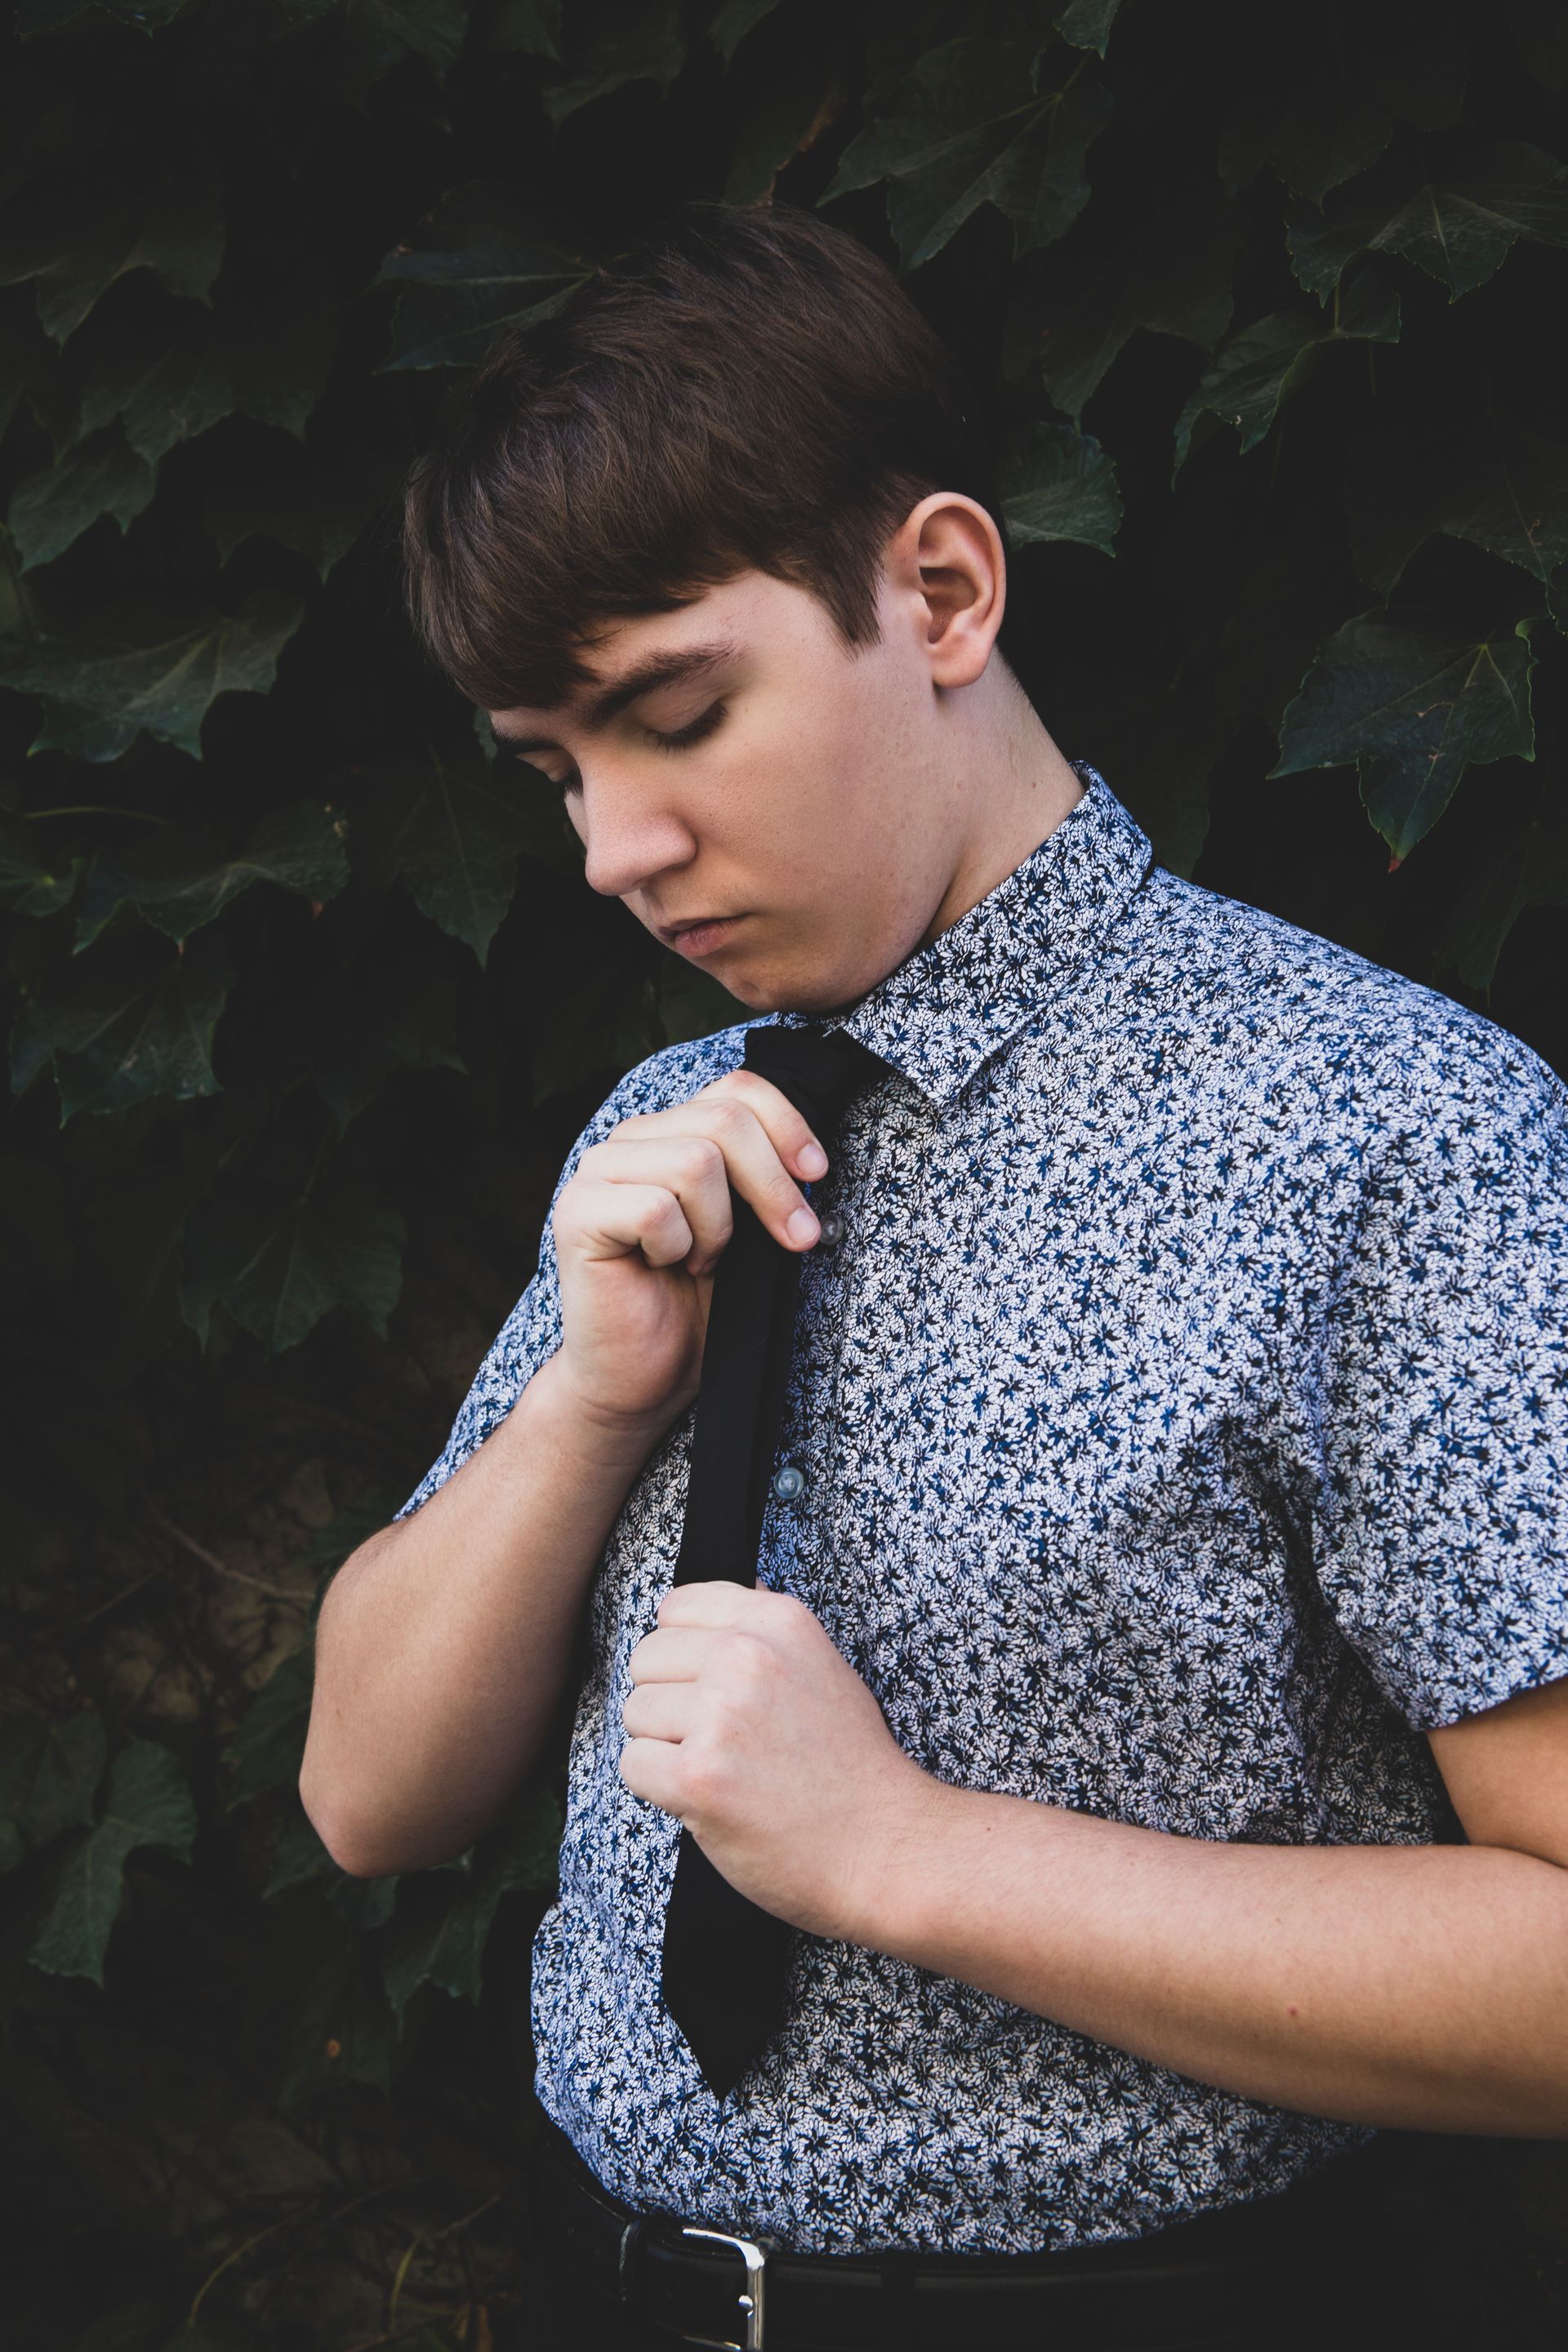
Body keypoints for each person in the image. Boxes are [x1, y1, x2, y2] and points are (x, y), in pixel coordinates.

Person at [299, 203, 1568, 2350]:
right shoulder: (682, 1122)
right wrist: (591, 1403)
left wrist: (898, 1851)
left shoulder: (1397, 1140)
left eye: (673, 718)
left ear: (946, 590)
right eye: (557, 775)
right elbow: (364, 1799)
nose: (611, 849)